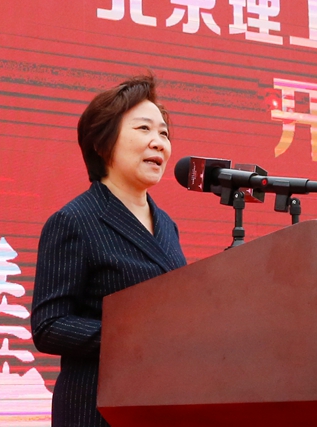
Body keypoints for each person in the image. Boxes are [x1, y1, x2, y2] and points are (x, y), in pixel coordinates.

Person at [31, 74, 187, 426]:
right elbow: (49, 325)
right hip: (95, 409)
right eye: (144, 129)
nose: (159, 142)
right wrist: (134, 339)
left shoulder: (167, 225)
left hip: (159, 405)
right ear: (103, 143)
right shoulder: (74, 221)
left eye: (164, 133)